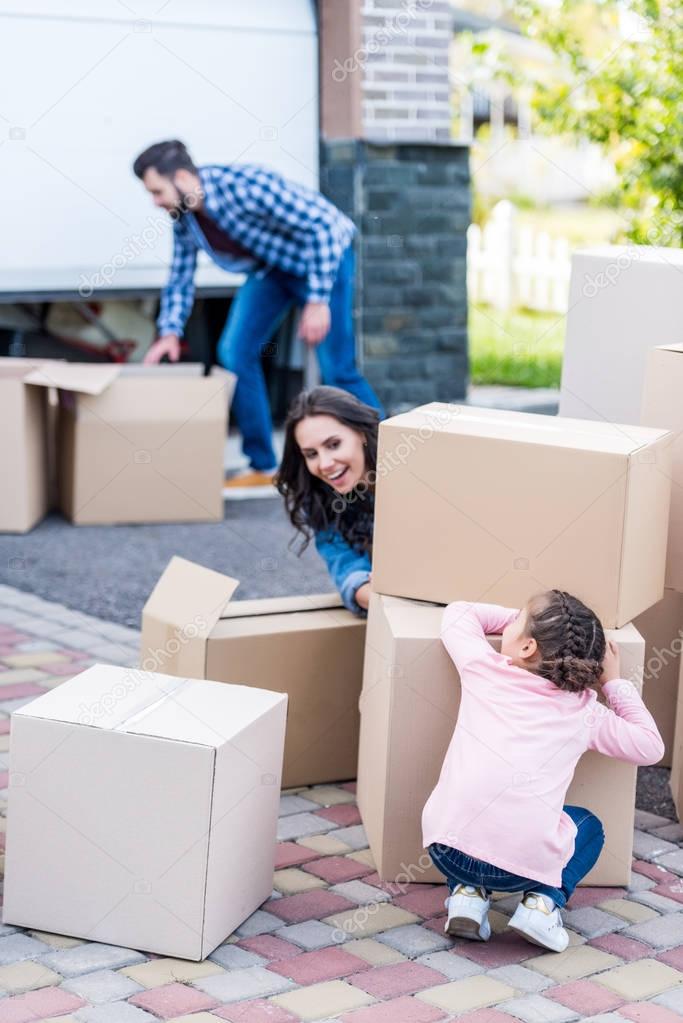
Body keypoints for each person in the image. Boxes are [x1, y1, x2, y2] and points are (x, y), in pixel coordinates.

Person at [424, 590, 665, 953]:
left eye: (517, 621)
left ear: (526, 647)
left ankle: (467, 896)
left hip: (446, 849)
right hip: (522, 867)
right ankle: (542, 904)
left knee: (469, 812)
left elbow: (459, 613)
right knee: (589, 827)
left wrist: (536, 623)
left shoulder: (483, 669)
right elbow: (650, 746)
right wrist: (613, 682)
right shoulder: (585, 712)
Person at [132, 140, 384, 487]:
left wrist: (317, 300)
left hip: (325, 259)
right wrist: (170, 332)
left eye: (157, 191)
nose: (156, 202)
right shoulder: (186, 218)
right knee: (235, 353)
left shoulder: (245, 187)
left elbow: (325, 228)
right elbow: (180, 275)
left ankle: (389, 455)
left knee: (337, 367)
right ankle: (264, 465)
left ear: (182, 178)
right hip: (274, 270)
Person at [276, 386, 379, 615]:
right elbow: (349, 572)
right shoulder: (319, 501)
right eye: (311, 454)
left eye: (333, 445)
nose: (324, 464)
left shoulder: (410, 471)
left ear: (361, 433)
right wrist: (384, 594)